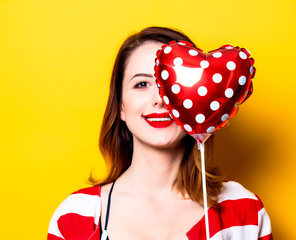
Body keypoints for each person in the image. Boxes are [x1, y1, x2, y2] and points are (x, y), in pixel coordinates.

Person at [47, 27, 273, 240]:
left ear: (201, 100)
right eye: (142, 84)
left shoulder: (245, 211)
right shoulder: (76, 216)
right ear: (121, 107)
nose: (160, 99)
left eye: (173, 82)